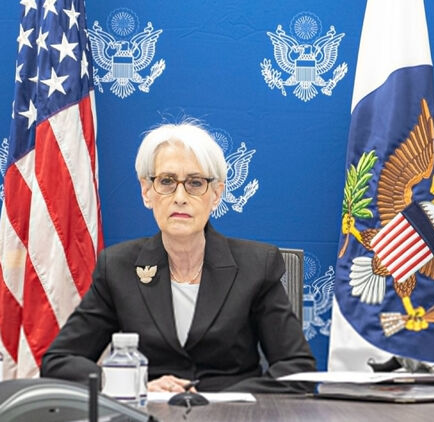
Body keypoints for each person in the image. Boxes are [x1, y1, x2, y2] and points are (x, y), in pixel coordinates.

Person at [40, 121, 316, 393]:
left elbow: (297, 370)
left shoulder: (257, 265)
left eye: (195, 183)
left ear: (216, 194)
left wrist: (220, 399)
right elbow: (59, 361)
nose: (180, 197)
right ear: (146, 192)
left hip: (230, 413)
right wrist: (133, 385)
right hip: (148, 411)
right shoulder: (118, 267)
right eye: (167, 181)